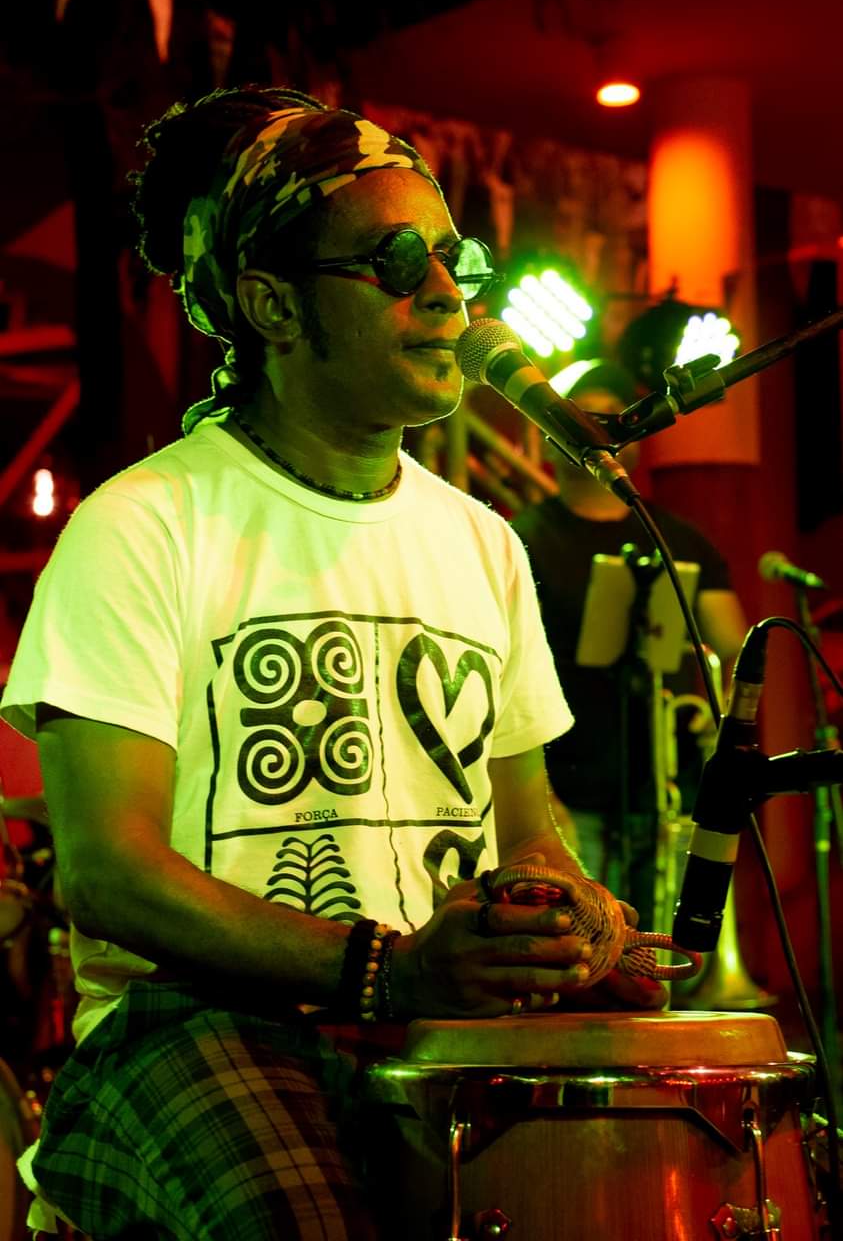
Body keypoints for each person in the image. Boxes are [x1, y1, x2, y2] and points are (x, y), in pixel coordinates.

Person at [0, 89, 666, 1239]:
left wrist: (561, 904)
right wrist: (384, 970)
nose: (449, 295)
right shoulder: (144, 524)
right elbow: (107, 875)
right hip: (189, 1022)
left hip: (423, 1021)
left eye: (457, 260)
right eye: (398, 262)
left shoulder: (483, 543)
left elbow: (528, 828)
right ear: (271, 303)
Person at [511, 359, 747, 928]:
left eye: (608, 419)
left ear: (634, 443)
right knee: (584, 948)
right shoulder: (518, 540)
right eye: (578, 419)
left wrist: (720, 731)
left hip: (666, 786)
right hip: (565, 788)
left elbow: (735, 648)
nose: (593, 432)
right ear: (549, 442)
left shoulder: (678, 539)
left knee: (669, 946)